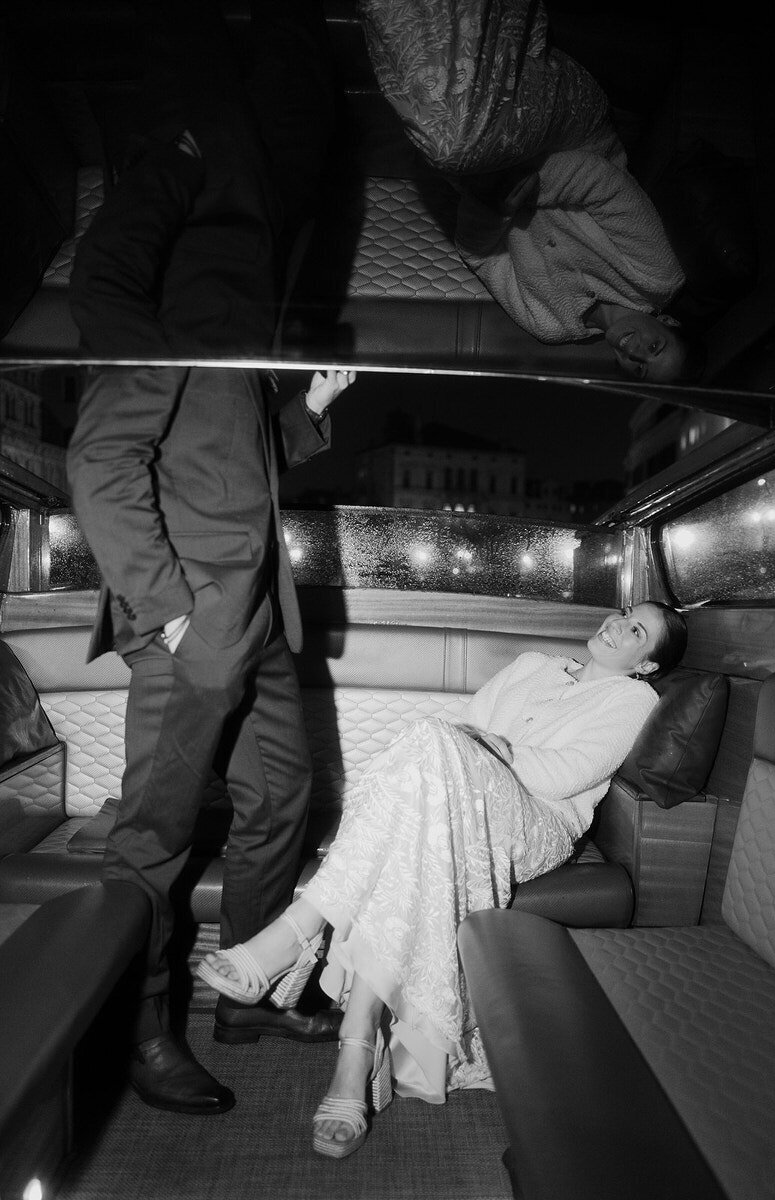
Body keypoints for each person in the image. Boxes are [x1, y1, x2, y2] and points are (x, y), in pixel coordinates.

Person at [66, 0, 356, 1117]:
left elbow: (243, 471)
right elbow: (100, 466)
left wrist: (310, 414)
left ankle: (245, 989)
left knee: (282, 795)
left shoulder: (237, 365)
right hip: (190, 626)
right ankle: (136, 1031)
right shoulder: (163, 336)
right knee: (154, 838)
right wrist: (174, 613)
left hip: (259, 619)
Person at [198, 601, 688, 1155]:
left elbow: (564, 774)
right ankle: (356, 1046)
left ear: (646, 664)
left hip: (533, 823)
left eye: (636, 631)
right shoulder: (532, 664)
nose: (616, 625)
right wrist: (465, 753)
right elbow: (462, 729)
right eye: (623, 613)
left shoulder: (632, 700)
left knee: (434, 742)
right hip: (456, 801)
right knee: (421, 807)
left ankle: (300, 930)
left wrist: (479, 752)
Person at [358, 0, 699, 383]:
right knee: (453, 142)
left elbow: (481, 258)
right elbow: (602, 184)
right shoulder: (659, 277)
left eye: (638, 369)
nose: (635, 353)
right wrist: (515, 188)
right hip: (574, 132)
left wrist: (495, 209)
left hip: (483, 179)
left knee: (445, 132)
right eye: (656, 348)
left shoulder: (551, 325)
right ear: (668, 322)